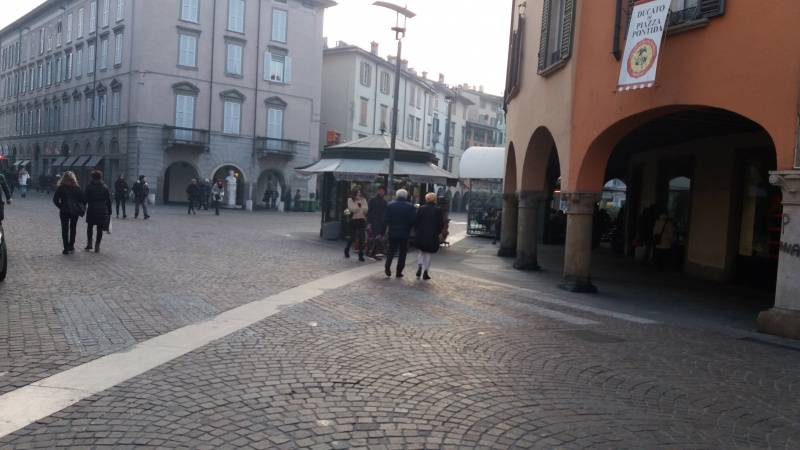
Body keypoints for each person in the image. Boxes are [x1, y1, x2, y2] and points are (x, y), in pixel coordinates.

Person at [380, 188, 416, 278]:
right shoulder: (410, 206)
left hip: (393, 231)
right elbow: (413, 220)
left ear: (397, 195)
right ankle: (399, 271)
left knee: (392, 249)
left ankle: (387, 264)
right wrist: (410, 227)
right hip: (405, 232)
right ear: (406, 196)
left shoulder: (390, 206)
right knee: (403, 252)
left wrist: (382, 232)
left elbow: (385, 220)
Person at [413, 192, 445, 280]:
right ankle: (426, 271)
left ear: (426, 199)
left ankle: (419, 266)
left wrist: (417, 230)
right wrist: (438, 232)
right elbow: (441, 223)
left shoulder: (421, 208)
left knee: (422, 251)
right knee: (429, 253)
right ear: (435, 200)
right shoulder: (437, 210)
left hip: (421, 232)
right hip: (432, 234)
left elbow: (416, 221)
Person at [52, 171, 85, 255]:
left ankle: (65, 248)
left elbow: (55, 200)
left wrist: (61, 206)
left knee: (65, 229)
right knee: (73, 228)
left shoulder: (61, 188)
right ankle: (71, 245)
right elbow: (83, 200)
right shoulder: (77, 188)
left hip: (64, 211)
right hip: (75, 211)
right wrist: (79, 207)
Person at [83, 170, 112, 253]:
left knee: (90, 227)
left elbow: (85, 199)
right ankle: (97, 246)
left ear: (92, 177)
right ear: (100, 177)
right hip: (102, 209)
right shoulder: (105, 187)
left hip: (92, 209)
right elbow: (109, 200)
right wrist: (109, 211)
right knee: (100, 228)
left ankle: (89, 244)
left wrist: (83, 208)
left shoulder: (89, 186)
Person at [344, 187, 368, 261]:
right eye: (357, 192)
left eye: (360, 192)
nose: (359, 194)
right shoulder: (350, 200)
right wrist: (358, 205)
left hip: (361, 220)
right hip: (354, 220)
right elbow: (353, 209)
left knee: (362, 238)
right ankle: (347, 249)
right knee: (352, 237)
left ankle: (361, 255)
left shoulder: (363, 200)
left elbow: (366, 210)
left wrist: (361, 205)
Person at [366, 186, 388, 259]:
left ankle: (373, 252)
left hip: (380, 221)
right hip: (374, 221)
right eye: (381, 191)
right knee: (375, 237)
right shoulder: (373, 199)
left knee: (377, 238)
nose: (382, 193)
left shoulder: (384, 201)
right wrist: (369, 222)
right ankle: (370, 251)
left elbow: (385, 212)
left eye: (383, 192)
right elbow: (369, 211)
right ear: (378, 191)